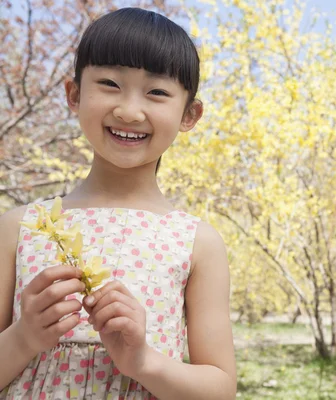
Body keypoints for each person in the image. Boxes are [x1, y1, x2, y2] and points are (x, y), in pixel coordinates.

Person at [0, 7, 236, 399]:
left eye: (157, 92)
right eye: (109, 83)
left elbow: (220, 389)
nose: (128, 110)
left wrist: (142, 361)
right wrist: (24, 338)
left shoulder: (198, 242)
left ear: (189, 114)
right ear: (74, 95)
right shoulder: (18, 227)